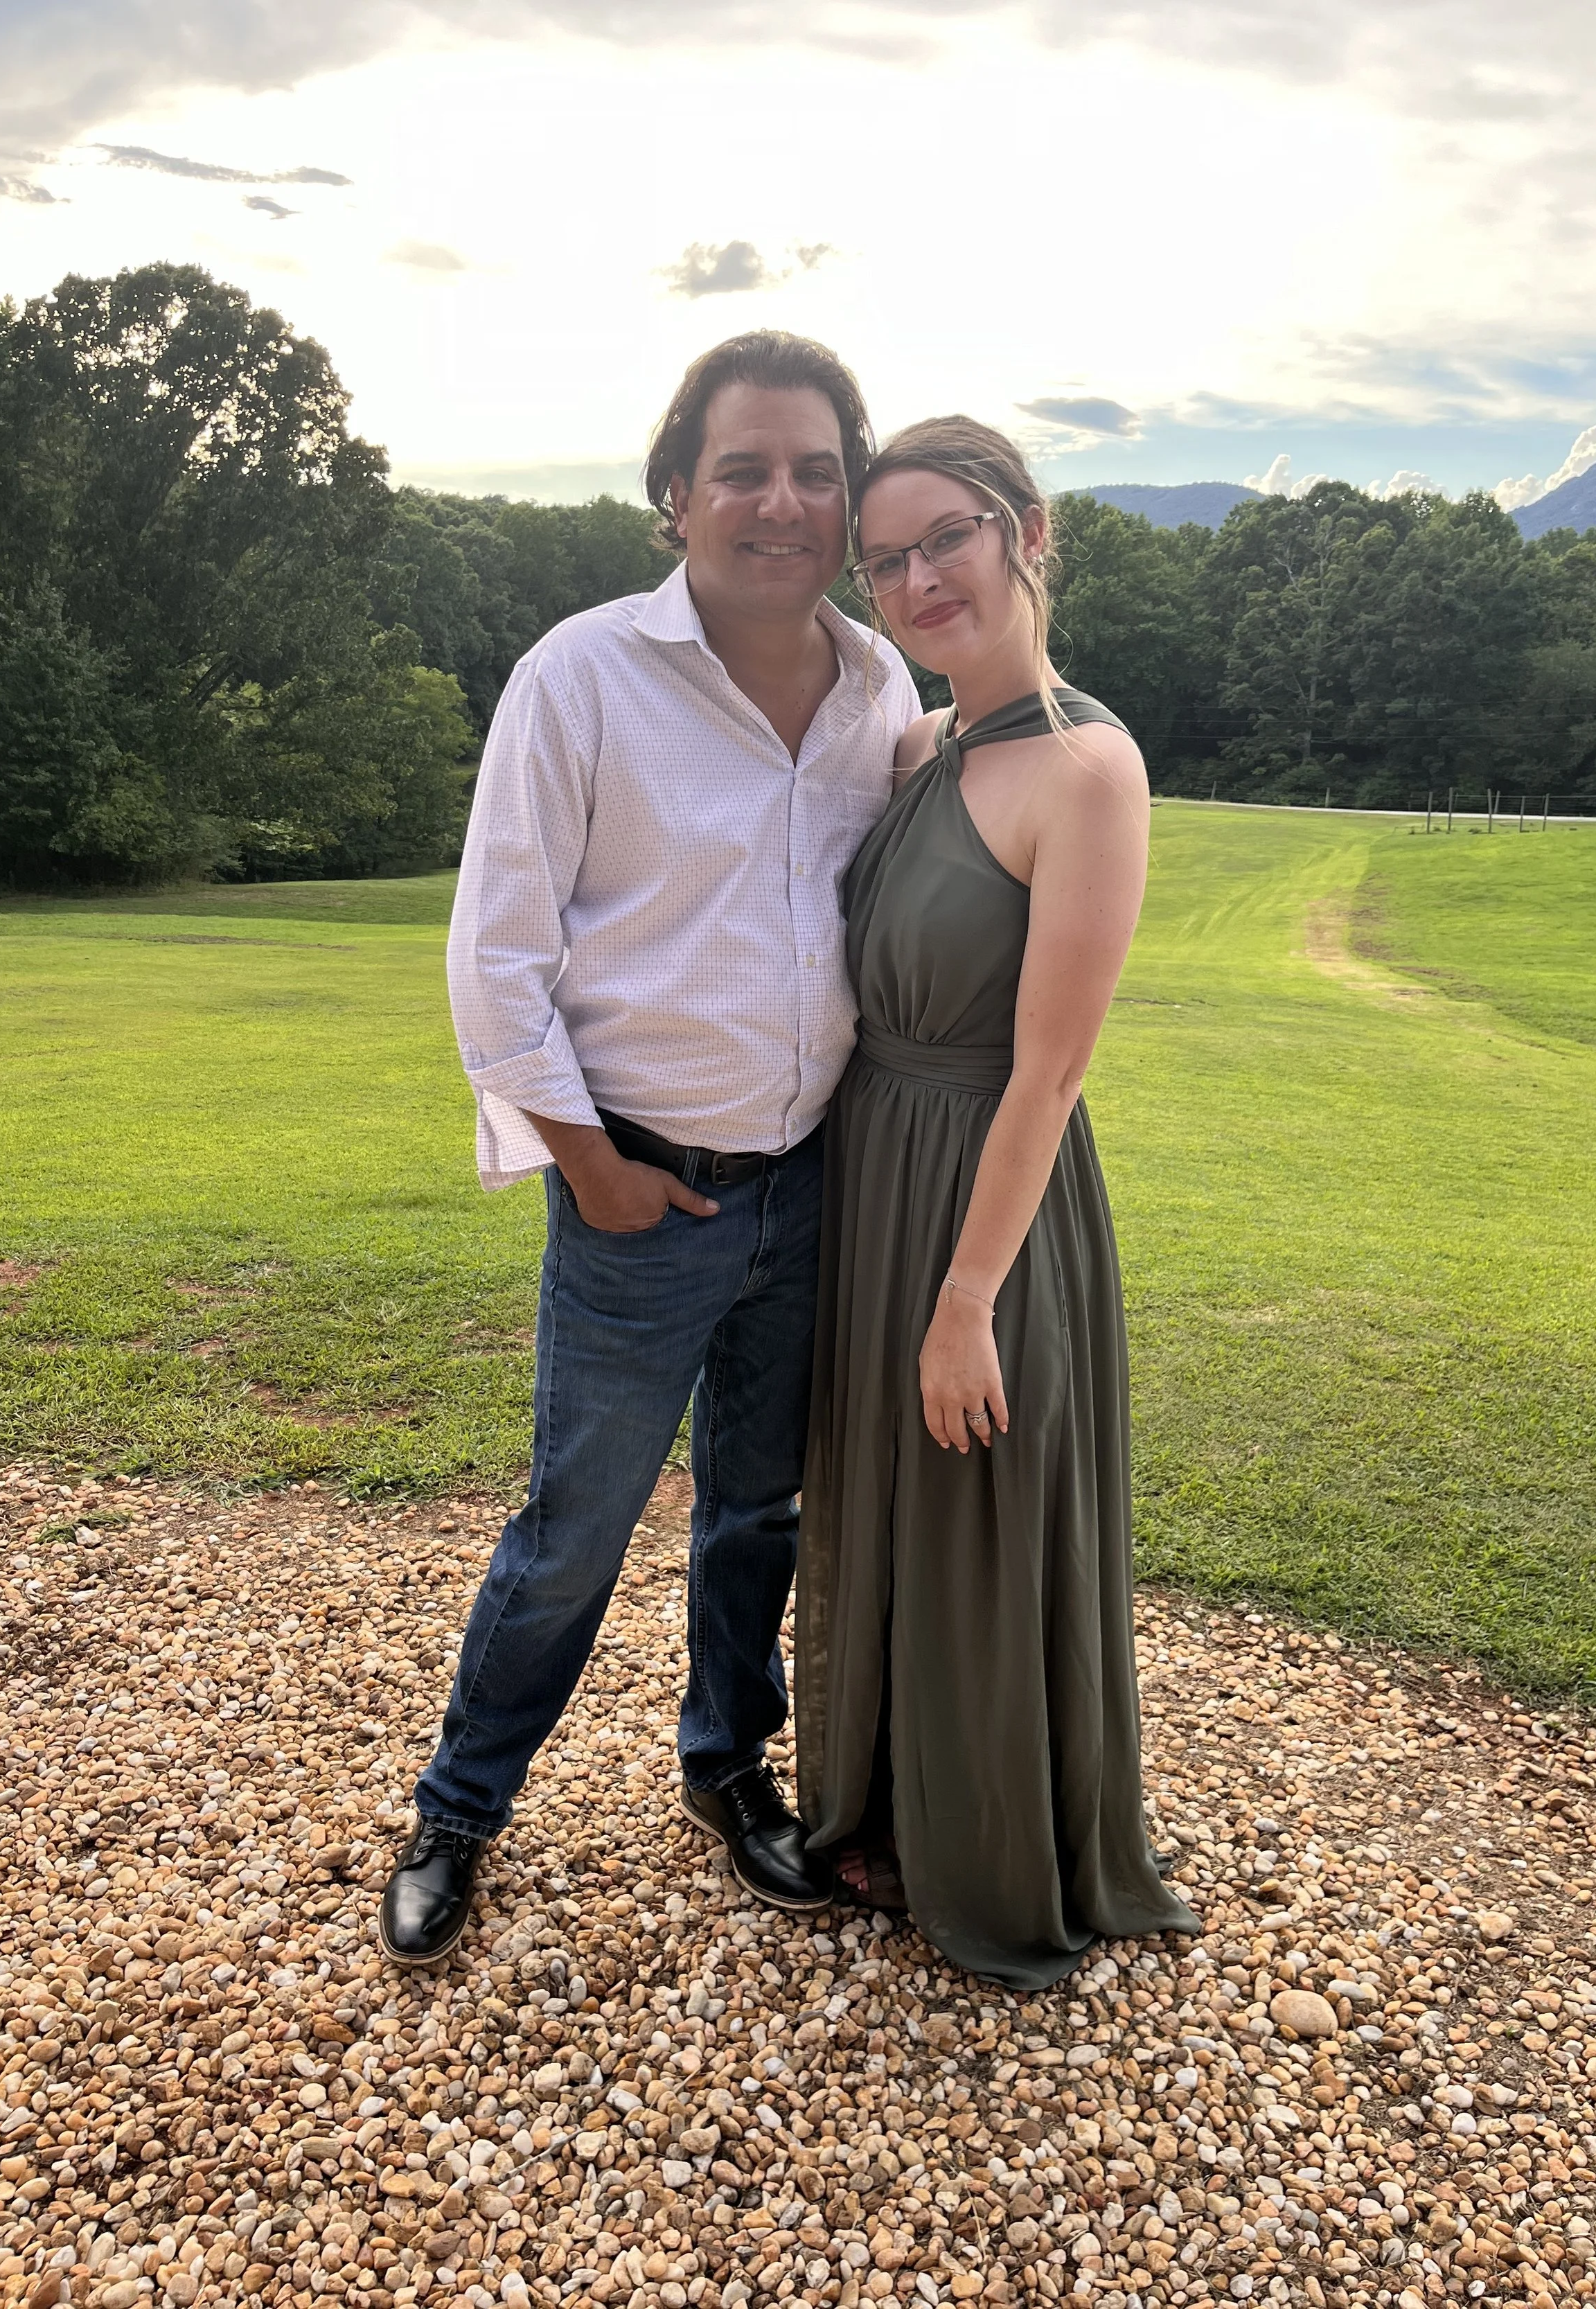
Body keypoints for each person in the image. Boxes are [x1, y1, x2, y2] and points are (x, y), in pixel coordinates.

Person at [377, 333, 921, 1967]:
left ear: (849, 500)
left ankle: (726, 1768)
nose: (781, 501)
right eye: (743, 469)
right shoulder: (581, 676)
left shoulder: (879, 691)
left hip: (810, 1189)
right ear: (676, 492)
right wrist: (590, 1169)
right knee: (574, 1529)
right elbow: (495, 958)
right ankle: (460, 1808)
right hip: (637, 1194)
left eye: (815, 471)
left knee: (757, 1514)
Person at [794, 417, 1200, 1988]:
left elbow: (1050, 1071)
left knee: (975, 1501)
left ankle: (992, 1843)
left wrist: (967, 1300)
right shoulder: (916, 747)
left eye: (943, 538)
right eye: (883, 560)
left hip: (988, 1197)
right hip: (872, 1172)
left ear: (1024, 529)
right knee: (885, 1491)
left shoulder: (1089, 769)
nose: (915, 580)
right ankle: (884, 1804)